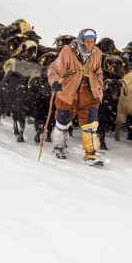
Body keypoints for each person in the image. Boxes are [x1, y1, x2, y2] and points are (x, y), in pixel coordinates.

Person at [48, 28, 105, 166]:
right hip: (69, 91)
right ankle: (59, 147)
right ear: (80, 40)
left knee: (90, 124)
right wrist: (54, 81)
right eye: (87, 41)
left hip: (89, 93)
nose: (89, 44)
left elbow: (98, 72)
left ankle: (91, 154)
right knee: (62, 121)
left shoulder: (97, 53)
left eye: (92, 42)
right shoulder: (68, 51)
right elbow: (54, 68)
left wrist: (98, 84)